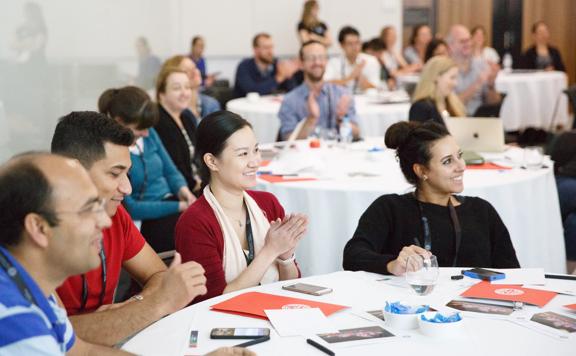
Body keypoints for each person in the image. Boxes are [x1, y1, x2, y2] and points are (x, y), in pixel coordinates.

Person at [51, 111, 208, 347]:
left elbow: (158, 275)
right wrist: (156, 303)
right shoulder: (33, 238)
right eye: (115, 174)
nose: (127, 188)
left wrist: (135, 303)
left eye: (127, 173)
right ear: (74, 170)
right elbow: (60, 338)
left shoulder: (115, 215)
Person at [343, 121, 520, 275]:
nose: (462, 166)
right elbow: (353, 256)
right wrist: (392, 264)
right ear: (421, 171)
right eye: (447, 161)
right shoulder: (390, 209)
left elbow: (513, 274)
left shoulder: (481, 211)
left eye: (460, 156)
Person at [0, 152, 128, 355]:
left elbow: (81, 351)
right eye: (88, 209)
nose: (105, 221)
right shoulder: (17, 325)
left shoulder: (28, 282)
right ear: (39, 228)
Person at [175, 111, 308, 303]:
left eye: (256, 150)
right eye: (243, 154)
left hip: (276, 314)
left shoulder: (267, 204)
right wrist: (271, 250)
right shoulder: (194, 223)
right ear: (212, 161)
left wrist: (286, 256)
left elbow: (291, 288)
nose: (255, 161)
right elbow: (212, 302)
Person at [98, 87, 195, 253]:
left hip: (172, 202)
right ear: (120, 121)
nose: (146, 133)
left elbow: (171, 171)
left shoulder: (149, 134)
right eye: (140, 128)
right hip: (147, 217)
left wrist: (185, 192)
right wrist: (181, 206)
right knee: (193, 232)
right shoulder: (114, 154)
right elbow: (132, 209)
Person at [279, 40, 359, 140]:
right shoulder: (290, 100)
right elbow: (288, 140)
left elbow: (356, 134)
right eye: (311, 58)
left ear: (326, 61)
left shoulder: (341, 94)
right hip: (305, 155)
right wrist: (311, 119)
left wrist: (342, 119)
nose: (317, 62)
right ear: (301, 63)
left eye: (321, 57)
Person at [154, 66, 203, 194]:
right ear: (161, 95)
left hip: (197, 183)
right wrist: (198, 185)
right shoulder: (158, 123)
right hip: (181, 191)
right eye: (177, 88)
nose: (185, 93)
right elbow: (171, 167)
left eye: (187, 87)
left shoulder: (186, 117)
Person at [447, 24, 501, 115]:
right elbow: (451, 106)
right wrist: (477, 84)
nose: (468, 44)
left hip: (480, 119)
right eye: (462, 41)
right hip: (455, 120)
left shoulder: (482, 66)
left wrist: (491, 85)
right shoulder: (445, 70)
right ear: (451, 46)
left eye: (469, 40)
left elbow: (493, 104)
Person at [233, 33, 299, 98]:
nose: (271, 51)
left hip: (272, 107)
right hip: (246, 107)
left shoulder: (278, 64)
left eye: (272, 47)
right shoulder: (244, 66)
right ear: (255, 50)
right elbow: (253, 92)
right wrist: (278, 78)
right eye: (266, 48)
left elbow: (293, 92)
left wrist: (288, 75)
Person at [161, 55, 221, 122]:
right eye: (186, 71)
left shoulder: (211, 104)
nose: (195, 72)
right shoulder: (175, 112)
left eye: (194, 67)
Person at [409, 56, 466, 125]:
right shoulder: (421, 108)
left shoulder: (453, 104)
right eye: (452, 77)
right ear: (436, 77)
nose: (455, 83)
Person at [324, 26, 381, 92]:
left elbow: (375, 87)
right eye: (350, 44)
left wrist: (360, 78)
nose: (355, 47)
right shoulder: (333, 62)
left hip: (366, 100)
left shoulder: (371, 61)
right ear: (341, 45)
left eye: (357, 42)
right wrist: (350, 78)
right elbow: (325, 84)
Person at [549, 131, 576, 274]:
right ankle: (566, 273)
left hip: (567, 181)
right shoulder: (569, 138)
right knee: (573, 221)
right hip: (566, 178)